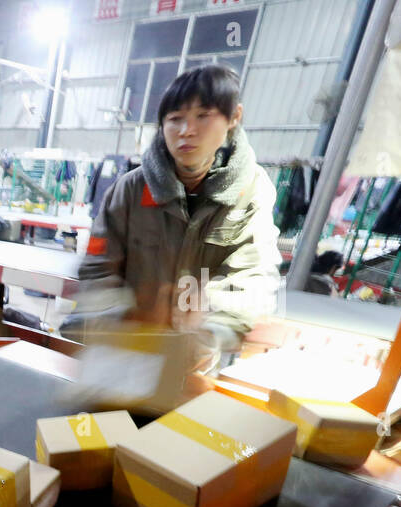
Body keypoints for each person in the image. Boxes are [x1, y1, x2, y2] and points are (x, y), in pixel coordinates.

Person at [74, 64, 281, 374]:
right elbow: (97, 266)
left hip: (195, 362)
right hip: (125, 356)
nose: (187, 130)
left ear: (234, 118)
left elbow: (254, 273)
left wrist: (213, 329)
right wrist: (110, 319)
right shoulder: (130, 190)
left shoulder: (251, 191)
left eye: (203, 116)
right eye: (175, 119)